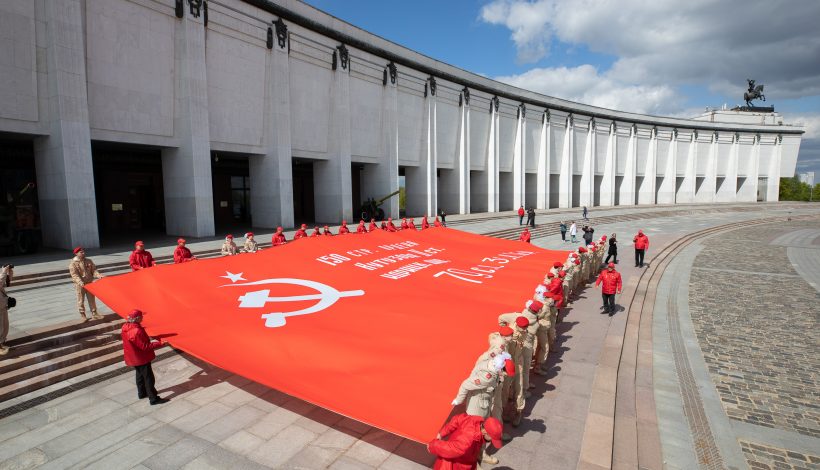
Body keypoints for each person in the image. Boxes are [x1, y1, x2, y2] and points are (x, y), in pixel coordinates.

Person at [121, 310, 168, 405]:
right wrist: (160, 343)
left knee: (139, 375)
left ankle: (142, 393)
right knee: (148, 378)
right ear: (137, 318)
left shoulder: (125, 327)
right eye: (141, 316)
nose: (143, 317)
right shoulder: (136, 331)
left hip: (133, 357)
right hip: (141, 358)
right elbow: (145, 346)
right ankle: (153, 398)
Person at [427, 414, 504, 470]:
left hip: (462, 461)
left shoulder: (474, 421)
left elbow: (456, 420)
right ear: (484, 432)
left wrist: (442, 433)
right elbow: (449, 449)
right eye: (492, 438)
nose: (491, 441)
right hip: (451, 466)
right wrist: (432, 445)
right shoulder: (467, 441)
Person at [69, 247, 104, 322]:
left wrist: (98, 275)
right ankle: (82, 314)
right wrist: (80, 282)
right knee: (81, 299)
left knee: (91, 298)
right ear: (76, 253)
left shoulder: (89, 261)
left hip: (89, 283)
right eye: (81, 252)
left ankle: (94, 313)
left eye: (83, 252)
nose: (83, 253)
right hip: (80, 285)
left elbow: (94, 270)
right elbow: (74, 275)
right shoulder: (73, 263)